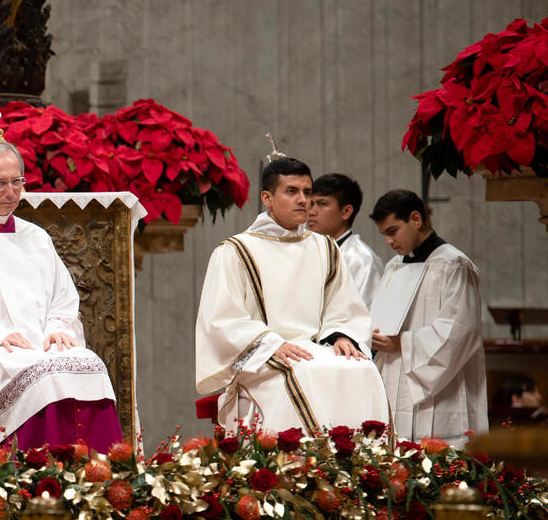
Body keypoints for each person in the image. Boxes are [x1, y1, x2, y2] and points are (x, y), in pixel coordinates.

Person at [0, 141, 123, 454]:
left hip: (40, 343)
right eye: (0, 184)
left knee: (88, 363)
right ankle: (37, 471)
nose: (10, 192)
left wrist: (59, 329)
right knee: (43, 374)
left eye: (17, 182)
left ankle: (100, 471)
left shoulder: (35, 237)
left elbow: (63, 299)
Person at [195, 156, 389, 435]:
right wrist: (270, 344)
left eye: (307, 192)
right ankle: (312, 465)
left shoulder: (325, 247)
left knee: (362, 369)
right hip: (265, 356)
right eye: (291, 191)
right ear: (267, 198)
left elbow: (344, 307)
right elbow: (221, 320)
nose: (303, 200)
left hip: (316, 349)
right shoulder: (235, 251)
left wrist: (343, 334)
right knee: (302, 373)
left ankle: (361, 465)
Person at [368, 190, 487, 447]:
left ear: (415, 219)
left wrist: (403, 343)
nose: (388, 241)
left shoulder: (453, 264)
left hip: (442, 389)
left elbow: (460, 332)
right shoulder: (394, 266)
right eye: (384, 234)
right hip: (396, 380)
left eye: (393, 231)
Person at [308, 172, 382, 309]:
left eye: (322, 204)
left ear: (346, 212)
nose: (311, 212)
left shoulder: (361, 259)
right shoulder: (308, 252)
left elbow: (364, 316)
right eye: (311, 204)